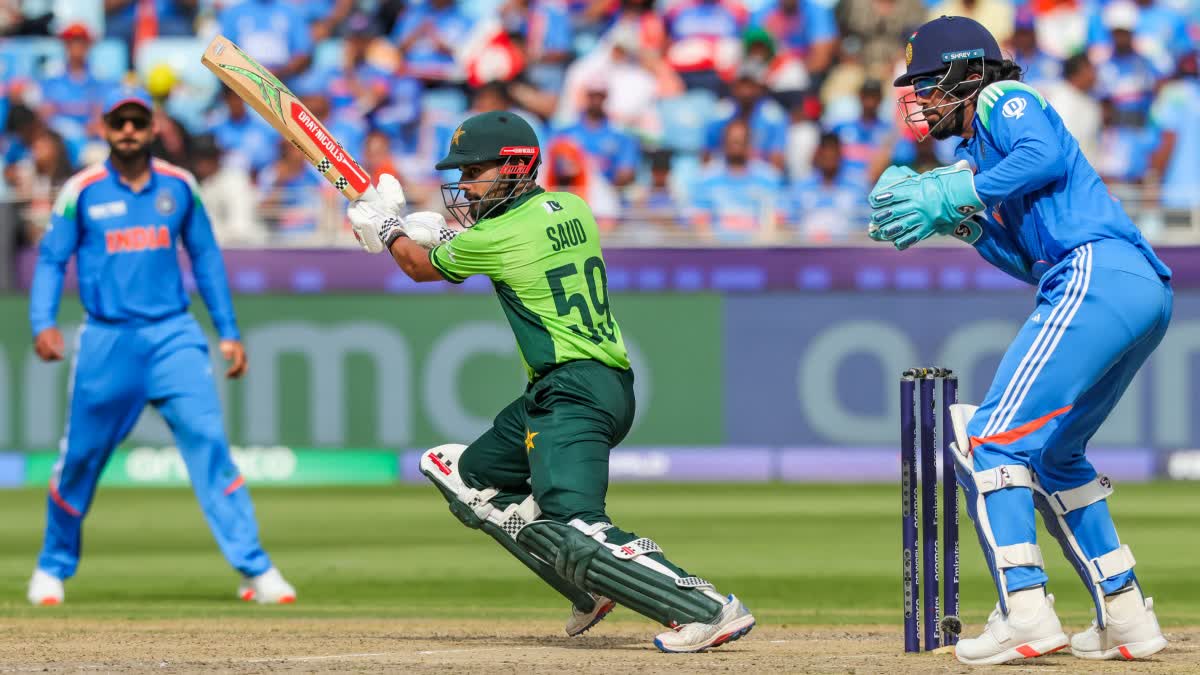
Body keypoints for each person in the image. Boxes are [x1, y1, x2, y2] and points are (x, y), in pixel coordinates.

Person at [345, 110, 755, 652]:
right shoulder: (573, 208)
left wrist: (389, 228)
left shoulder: (495, 235)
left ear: (515, 167)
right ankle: (587, 585)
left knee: (576, 524)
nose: (464, 185)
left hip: (572, 392)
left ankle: (705, 609)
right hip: (592, 386)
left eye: (473, 172)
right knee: (465, 476)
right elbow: (504, 248)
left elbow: (422, 268)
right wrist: (439, 234)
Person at [868, 16, 1171, 665]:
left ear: (966, 74)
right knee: (1058, 457)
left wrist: (960, 188)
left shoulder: (1004, 98)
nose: (921, 101)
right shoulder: (981, 155)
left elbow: (1046, 156)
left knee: (990, 438)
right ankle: (1126, 614)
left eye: (928, 85)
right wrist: (960, 221)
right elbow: (1029, 263)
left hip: (1095, 272)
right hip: (1126, 285)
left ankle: (1025, 610)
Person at [24, 86, 295, 606]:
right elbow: (52, 259)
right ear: (105, 128)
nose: (128, 131)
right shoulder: (82, 190)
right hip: (107, 339)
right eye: (119, 122)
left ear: (152, 128)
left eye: (137, 122)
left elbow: (206, 258)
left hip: (173, 336)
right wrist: (43, 322)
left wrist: (229, 331)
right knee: (79, 460)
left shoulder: (179, 185)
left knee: (210, 445)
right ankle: (52, 567)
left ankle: (256, 569)